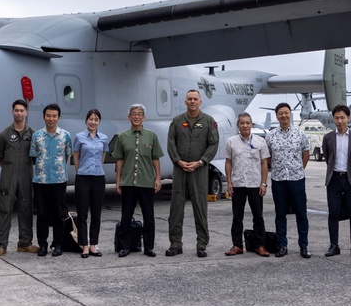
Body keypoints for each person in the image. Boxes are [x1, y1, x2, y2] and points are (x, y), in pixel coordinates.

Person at [166, 89, 220, 258]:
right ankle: (175, 244)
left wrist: (201, 161)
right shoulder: (177, 121)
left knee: (200, 207)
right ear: (185, 101)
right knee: (176, 208)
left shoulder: (209, 121)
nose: (192, 101)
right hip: (180, 169)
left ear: (200, 102)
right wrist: (178, 161)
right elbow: (171, 143)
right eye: (189, 99)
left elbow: (213, 144)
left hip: (200, 169)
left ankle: (201, 244)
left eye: (195, 99)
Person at [112, 104, 163, 257]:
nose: (136, 116)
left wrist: (158, 178)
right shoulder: (122, 137)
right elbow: (119, 160)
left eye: (140, 114)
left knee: (149, 216)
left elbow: (155, 158)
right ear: (129, 117)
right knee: (126, 216)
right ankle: (125, 246)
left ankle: (149, 247)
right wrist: (118, 180)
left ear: (144, 117)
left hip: (146, 181)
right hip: (128, 182)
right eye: (133, 114)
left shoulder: (151, 136)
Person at [0, 99, 39, 256]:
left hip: (26, 175)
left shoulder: (33, 134)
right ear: (12, 112)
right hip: (8, 177)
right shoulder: (4, 135)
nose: (19, 113)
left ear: (26, 113)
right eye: (16, 110)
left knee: (26, 209)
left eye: (22, 110)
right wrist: (10, 169)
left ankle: (24, 243)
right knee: (4, 209)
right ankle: (1, 244)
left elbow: (36, 157)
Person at [265, 102, 311, 258]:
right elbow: (268, 156)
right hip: (278, 179)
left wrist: (298, 168)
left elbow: (306, 153)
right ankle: (282, 245)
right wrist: (277, 166)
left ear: (290, 114)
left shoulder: (300, 134)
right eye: (280, 113)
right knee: (280, 214)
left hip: (296, 178)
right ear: (277, 116)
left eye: (286, 113)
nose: (283, 116)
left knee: (301, 213)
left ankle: (303, 246)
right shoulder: (270, 135)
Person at [224, 113, 270, 257]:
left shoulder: (260, 142)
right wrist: (229, 182)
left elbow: (264, 163)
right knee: (237, 216)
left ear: (252, 125)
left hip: (255, 184)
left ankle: (259, 245)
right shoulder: (231, 142)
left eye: (247, 123)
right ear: (238, 125)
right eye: (242, 123)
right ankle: (237, 245)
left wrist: (263, 183)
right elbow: (228, 162)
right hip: (238, 183)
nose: (245, 125)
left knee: (258, 216)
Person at [29, 103, 73, 257]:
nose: (51, 119)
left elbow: (66, 156)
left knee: (58, 214)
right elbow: (34, 155)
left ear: (58, 117)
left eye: (54, 116)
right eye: (48, 116)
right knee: (42, 215)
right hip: (40, 181)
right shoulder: (37, 136)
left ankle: (58, 244)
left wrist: (57, 167)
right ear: (44, 117)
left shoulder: (65, 135)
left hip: (59, 180)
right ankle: (42, 244)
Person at [323, 104, 351, 258]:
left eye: (342, 118)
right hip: (334, 179)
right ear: (333, 119)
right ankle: (334, 245)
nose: (339, 121)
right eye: (336, 118)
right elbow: (328, 158)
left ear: (348, 118)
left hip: (350, 180)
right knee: (333, 213)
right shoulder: (328, 138)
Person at [73, 109, 109, 258]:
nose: (93, 122)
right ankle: (84, 245)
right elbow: (76, 157)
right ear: (86, 120)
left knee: (96, 213)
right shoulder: (79, 137)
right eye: (90, 119)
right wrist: (81, 170)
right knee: (82, 213)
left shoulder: (103, 138)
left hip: (98, 177)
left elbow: (103, 156)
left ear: (99, 122)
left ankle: (93, 244)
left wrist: (96, 168)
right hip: (83, 177)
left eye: (96, 119)